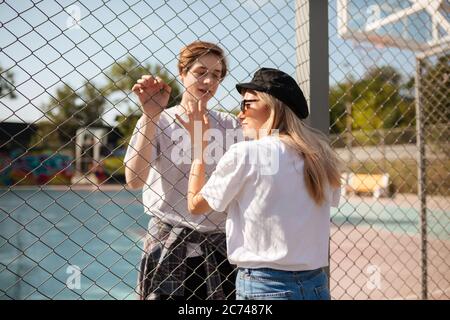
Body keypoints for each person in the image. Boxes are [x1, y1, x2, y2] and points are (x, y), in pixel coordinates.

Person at [179, 67, 342, 300]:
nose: (239, 114)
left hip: (264, 286)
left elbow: (195, 206)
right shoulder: (321, 157)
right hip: (315, 284)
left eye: (247, 104)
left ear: (270, 105)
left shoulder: (246, 153)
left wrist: (198, 151)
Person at [124, 41, 238, 300]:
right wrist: (151, 115)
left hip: (220, 249)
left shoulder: (230, 125)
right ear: (182, 73)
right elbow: (134, 180)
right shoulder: (159, 120)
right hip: (168, 248)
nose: (209, 80)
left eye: (216, 75)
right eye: (200, 72)